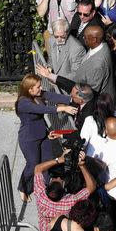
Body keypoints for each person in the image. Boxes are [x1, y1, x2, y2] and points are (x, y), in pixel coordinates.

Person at [15, 74, 77, 202]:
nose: (40, 88)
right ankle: (23, 187)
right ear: (29, 89)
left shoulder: (37, 94)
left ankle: (45, 189)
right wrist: (62, 108)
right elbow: (41, 109)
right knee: (32, 165)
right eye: (38, 87)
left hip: (43, 135)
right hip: (29, 139)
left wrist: (71, 100)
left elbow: (52, 96)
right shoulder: (23, 103)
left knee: (46, 163)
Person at [34, 150, 96, 231]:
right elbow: (91, 187)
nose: (58, 178)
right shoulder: (70, 201)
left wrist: (59, 160)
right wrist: (82, 165)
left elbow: (38, 168)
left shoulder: (40, 194)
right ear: (64, 190)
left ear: (47, 187)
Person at [35, 64, 96, 131]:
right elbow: (68, 84)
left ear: (81, 101)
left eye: (72, 97)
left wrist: (62, 134)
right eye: (38, 87)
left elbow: (81, 134)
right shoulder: (83, 95)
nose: (70, 98)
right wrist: (49, 75)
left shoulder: (88, 115)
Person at [74, 25, 116, 104]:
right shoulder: (101, 45)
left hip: (98, 105)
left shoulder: (98, 64)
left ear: (94, 39)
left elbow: (90, 92)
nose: (83, 38)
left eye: (85, 37)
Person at [81, 93, 115, 157]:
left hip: (93, 158)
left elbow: (83, 142)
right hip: (109, 157)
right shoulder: (115, 120)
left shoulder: (90, 120)